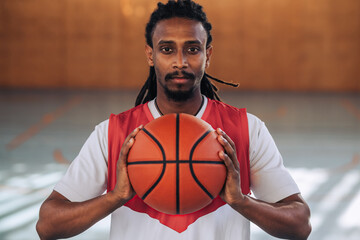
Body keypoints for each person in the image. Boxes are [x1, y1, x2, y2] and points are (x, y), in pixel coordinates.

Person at [36, 0, 311, 239]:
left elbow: (300, 224)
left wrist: (240, 201)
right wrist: (115, 197)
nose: (180, 61)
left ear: (208, 55)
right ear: (150, 55)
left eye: (192, 49)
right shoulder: (114, 133)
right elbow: (47, 225)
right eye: (167, 49)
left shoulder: (246, 130)